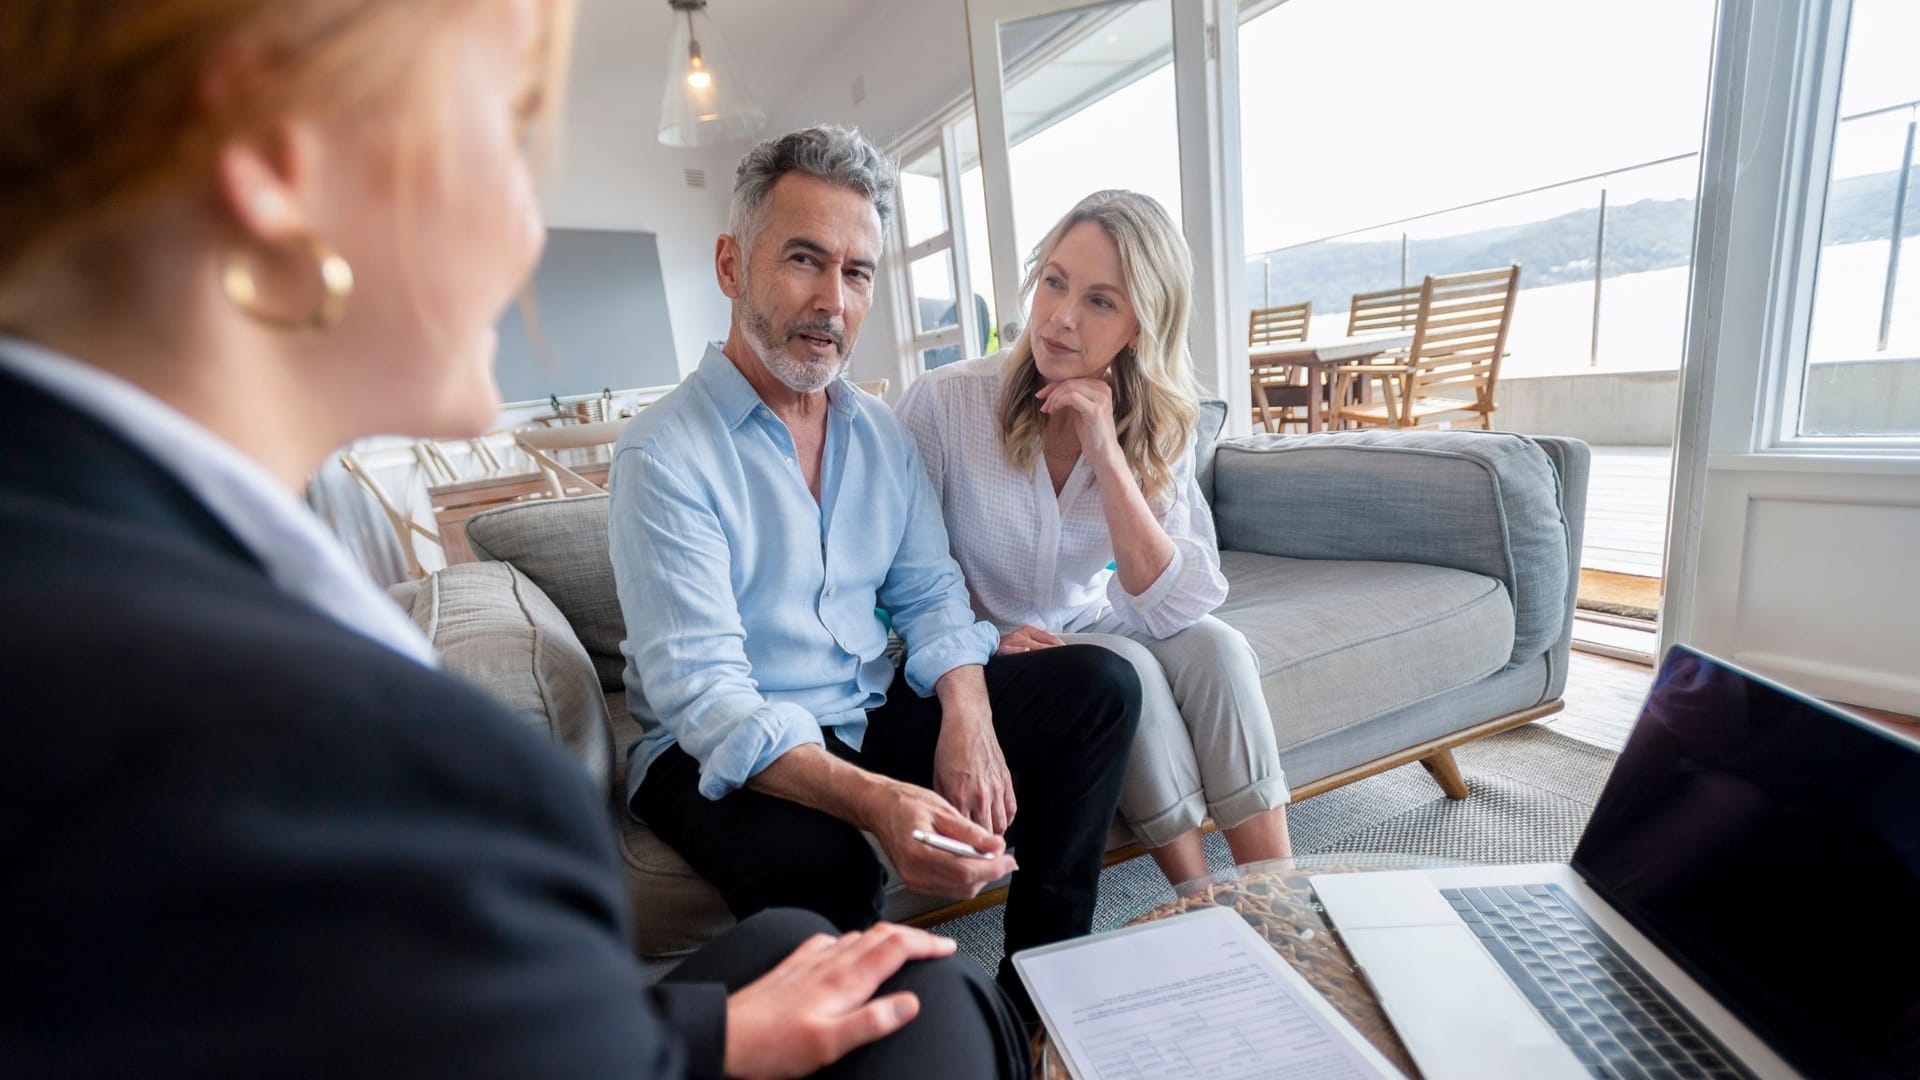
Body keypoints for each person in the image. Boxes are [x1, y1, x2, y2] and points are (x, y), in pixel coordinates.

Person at [0, 3, 1027, 1077]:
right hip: (742, 760)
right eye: (502, 132)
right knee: (935, 1005)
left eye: (858, 271)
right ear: (275, 163)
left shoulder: (112, 556)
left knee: (803, 953)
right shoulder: (316, 746)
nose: (525, 237)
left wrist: (716, 1031)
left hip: (845, 736)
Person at [608, 126, 1143, 1020]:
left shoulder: (880, 436)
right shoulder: (663, 455)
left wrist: (966, 715)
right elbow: (708, 698)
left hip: (856, 708)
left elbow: (932, 597)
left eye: (857, 274)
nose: (831, 301)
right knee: (828, 863)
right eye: (804, 261)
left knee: (1100, 686)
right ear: (732, 266)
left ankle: (1038, 1003)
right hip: (719, 752)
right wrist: (882, 800)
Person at [895, 190, 1295, 887]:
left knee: (1221, 648)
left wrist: (1106, 452)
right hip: (995, 647)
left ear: (1141, 326)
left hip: (1088, 622)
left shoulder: (1162, 421)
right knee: (1128, 670)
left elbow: (1174, 605)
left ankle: (1284, 897)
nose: (1060, 318)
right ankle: (1200, 901)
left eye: (1101, 302)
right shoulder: (943, 404)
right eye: (1055, 282)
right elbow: (894, 576)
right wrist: (986, 641)